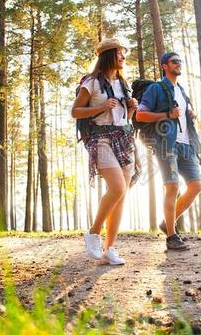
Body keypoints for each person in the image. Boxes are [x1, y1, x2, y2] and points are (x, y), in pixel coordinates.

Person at [71, 37, 139, 265]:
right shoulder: (91, 82)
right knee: (117, 187)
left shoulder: (123, 83)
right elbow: (76, 111)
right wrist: (101, 106)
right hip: (100, 137)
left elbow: (124, 119)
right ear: (109, 55)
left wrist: (131, 109)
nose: (123, 57)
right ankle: (93, 231)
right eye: (120, 53)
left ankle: (110, 248)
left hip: (123, 137)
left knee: (121, 196)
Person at [135, 52, 201, 251]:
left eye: (180, 61)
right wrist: (167, 114)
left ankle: (167, 223)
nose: (178, 64)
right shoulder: (156, 88)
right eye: (174, 62)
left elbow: (181, 116)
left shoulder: (181, 90)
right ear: (165, 66)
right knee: (172, 188)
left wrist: (190, 114)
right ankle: (172, 236)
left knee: (196, 186)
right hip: (166, 144)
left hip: (187, 144)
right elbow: (140, 115)